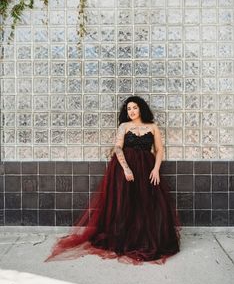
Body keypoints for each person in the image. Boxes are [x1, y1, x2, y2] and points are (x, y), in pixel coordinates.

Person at [46, 96, 180, 264]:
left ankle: (143, 240)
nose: (131, 111)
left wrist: (156, 169)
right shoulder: (124, 126)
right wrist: (125, 168)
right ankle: (126, 239)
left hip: (147, 169)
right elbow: (117, 147)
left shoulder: (152, 127)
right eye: (128, 109)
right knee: (126, 205)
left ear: (141, 109)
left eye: (134, 108)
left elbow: (160, 149)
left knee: (145, 205)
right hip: (124, 170)